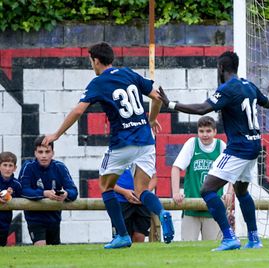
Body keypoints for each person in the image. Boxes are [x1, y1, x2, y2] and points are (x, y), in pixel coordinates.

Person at [42, 42, 174, 249]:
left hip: (122, 142)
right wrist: (151, 119)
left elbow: (78, 111)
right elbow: (158, 97)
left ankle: (122, 235)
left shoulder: (99, 82)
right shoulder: (129, 73)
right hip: (146, 141)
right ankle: (162, 212)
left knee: (105, 185)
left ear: (95, 60)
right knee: (142, 191)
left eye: (91, 61)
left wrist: (56, 134)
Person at [157, 51, 269, 250]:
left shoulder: (227, 89)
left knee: (207, 189)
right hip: (254, 146)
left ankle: (229, 237)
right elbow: (268, 102)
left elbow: (201, 109)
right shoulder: (248, 85)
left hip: (239, 148)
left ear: (221, 68)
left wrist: (171, 104)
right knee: (241, 191)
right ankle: (254, 239)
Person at [171, 115, 234, 241]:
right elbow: (175, 168)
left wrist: (229, 192)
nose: (205, 134)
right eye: (201, 131)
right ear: (197, 132)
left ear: (215, 132)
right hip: (191, 207)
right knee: (188, 248)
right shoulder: (192, 144)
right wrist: (176, 192)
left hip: (213, 209)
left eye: (208, 131)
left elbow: (232, 171)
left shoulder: (221, 146)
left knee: (212, 247)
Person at [20, 135, 78, 246]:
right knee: (41, 246)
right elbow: (23, 190)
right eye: (40, 152)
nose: (44, 156)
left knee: (54, 251)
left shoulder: (60, 167)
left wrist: (66, 194)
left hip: (54, 218)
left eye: (47, 152)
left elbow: (73, 191)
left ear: (53, 153)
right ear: (35, 153)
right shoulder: (28, 167)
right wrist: (43, 193)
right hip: (34, 218)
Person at [113, 166, 156, 242]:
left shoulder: (144, 155)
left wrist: (143, 193)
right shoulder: (114, 156)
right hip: (121, 201)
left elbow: (154, 177)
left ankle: (138, 253)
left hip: (142, 202)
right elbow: (106, 181)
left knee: (140, 235)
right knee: (123, 235)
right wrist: (124, 192)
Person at [0, 151, 22, 247]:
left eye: (10, 165)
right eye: (5, 165)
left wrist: (12, 195)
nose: (7, 169)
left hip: (5, 223)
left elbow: (23, 199)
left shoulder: (16, 184)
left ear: (15, 168)